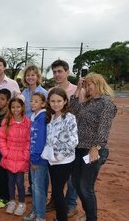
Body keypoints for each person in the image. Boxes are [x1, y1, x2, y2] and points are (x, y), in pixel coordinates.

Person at [71, 73, 117, 221]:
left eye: (89, 84)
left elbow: (104, 127)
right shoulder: (88, 101)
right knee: (76, 183)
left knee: (85, 186)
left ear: (98, 83)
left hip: (93, 150)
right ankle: (88, 213)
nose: (87, 87)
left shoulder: (106, 102)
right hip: (79, 149)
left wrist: (95, 147)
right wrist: (78, 89)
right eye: (86, 84)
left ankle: (91, 218)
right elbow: (73, 109)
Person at [47, 59, 84, 217]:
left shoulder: (78, 90)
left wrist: (59, 155)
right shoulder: (52, 92)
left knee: (71, 182)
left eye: (60, 71)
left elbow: (81, 115)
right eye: (54, 72)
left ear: (67, 72)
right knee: (56, 187)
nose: (57, 74)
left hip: (71, 147)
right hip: (53, 156)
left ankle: (70, 205)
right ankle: (58, 202)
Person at [41, 87, 78, 221]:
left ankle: (61, 218)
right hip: (52, 160)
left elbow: (73, 141)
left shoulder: (69, 117)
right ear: (48, 102)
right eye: (52, 101)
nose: (55, 104)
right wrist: (50, 155)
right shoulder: (50, 117)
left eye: (59, 101)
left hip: (64, 161)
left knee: (56, 192)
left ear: (65, 101)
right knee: (57, 191)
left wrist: (59, 156)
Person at [0, 98, 31, 216]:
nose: (15, 109)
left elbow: (29, 140)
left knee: (20, 182)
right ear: (10, 108)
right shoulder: (6, 121)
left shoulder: (27, 122)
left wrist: (25, 154)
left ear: (22, 107)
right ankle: (12, 202)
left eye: (18, 107)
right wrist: (5, 152)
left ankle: (21, 203)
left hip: (21, 158)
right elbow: (1, 138)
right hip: (9, 157)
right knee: (10, 181)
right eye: (13, 107)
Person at [21, 65, 48, 197]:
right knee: (29, 158)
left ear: (37, 77)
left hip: (38, 130)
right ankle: (31, 188)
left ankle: (38, 190)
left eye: (33, 75)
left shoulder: (44, 92)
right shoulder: (23, 93)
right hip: (26, 130)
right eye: (28, 75)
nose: (30, 77)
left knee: (37, 159)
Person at [23, 92, 48, 221]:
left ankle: (40, 215)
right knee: (34, 186)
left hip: (39, 160)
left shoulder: (42, 118)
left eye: (36, 101)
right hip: (34, 157)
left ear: (43, 104)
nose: (32, 103)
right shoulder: (34, 117)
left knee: (38, 187)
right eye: (31, 101)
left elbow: (40, 141)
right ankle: (35, 211)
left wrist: (34, 159)